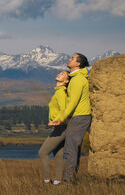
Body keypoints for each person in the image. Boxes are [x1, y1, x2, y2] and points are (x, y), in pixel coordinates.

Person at [49, 53, 91, 183]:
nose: (69, 59)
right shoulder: (75, 78)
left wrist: (61, 118)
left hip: (79, 117)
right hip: (77, 117)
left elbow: (72, 102)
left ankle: (67, 182)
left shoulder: (78, 80)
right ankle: (70, 180)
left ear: (78, 63)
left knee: (70, 149)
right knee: (73, 149)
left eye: (72, 58)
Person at [38, 71, 69, 185]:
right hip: (61, 127)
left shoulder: (61, 92)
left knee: (43, 153)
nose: (59, 74)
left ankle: (47, 181)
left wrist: (58, 121)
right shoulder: (58, 92)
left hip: (61, 127)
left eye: (62, 74)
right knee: (59, 155)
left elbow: (64, 109)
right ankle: (58, 182)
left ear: (66, 81)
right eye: (60, 73)